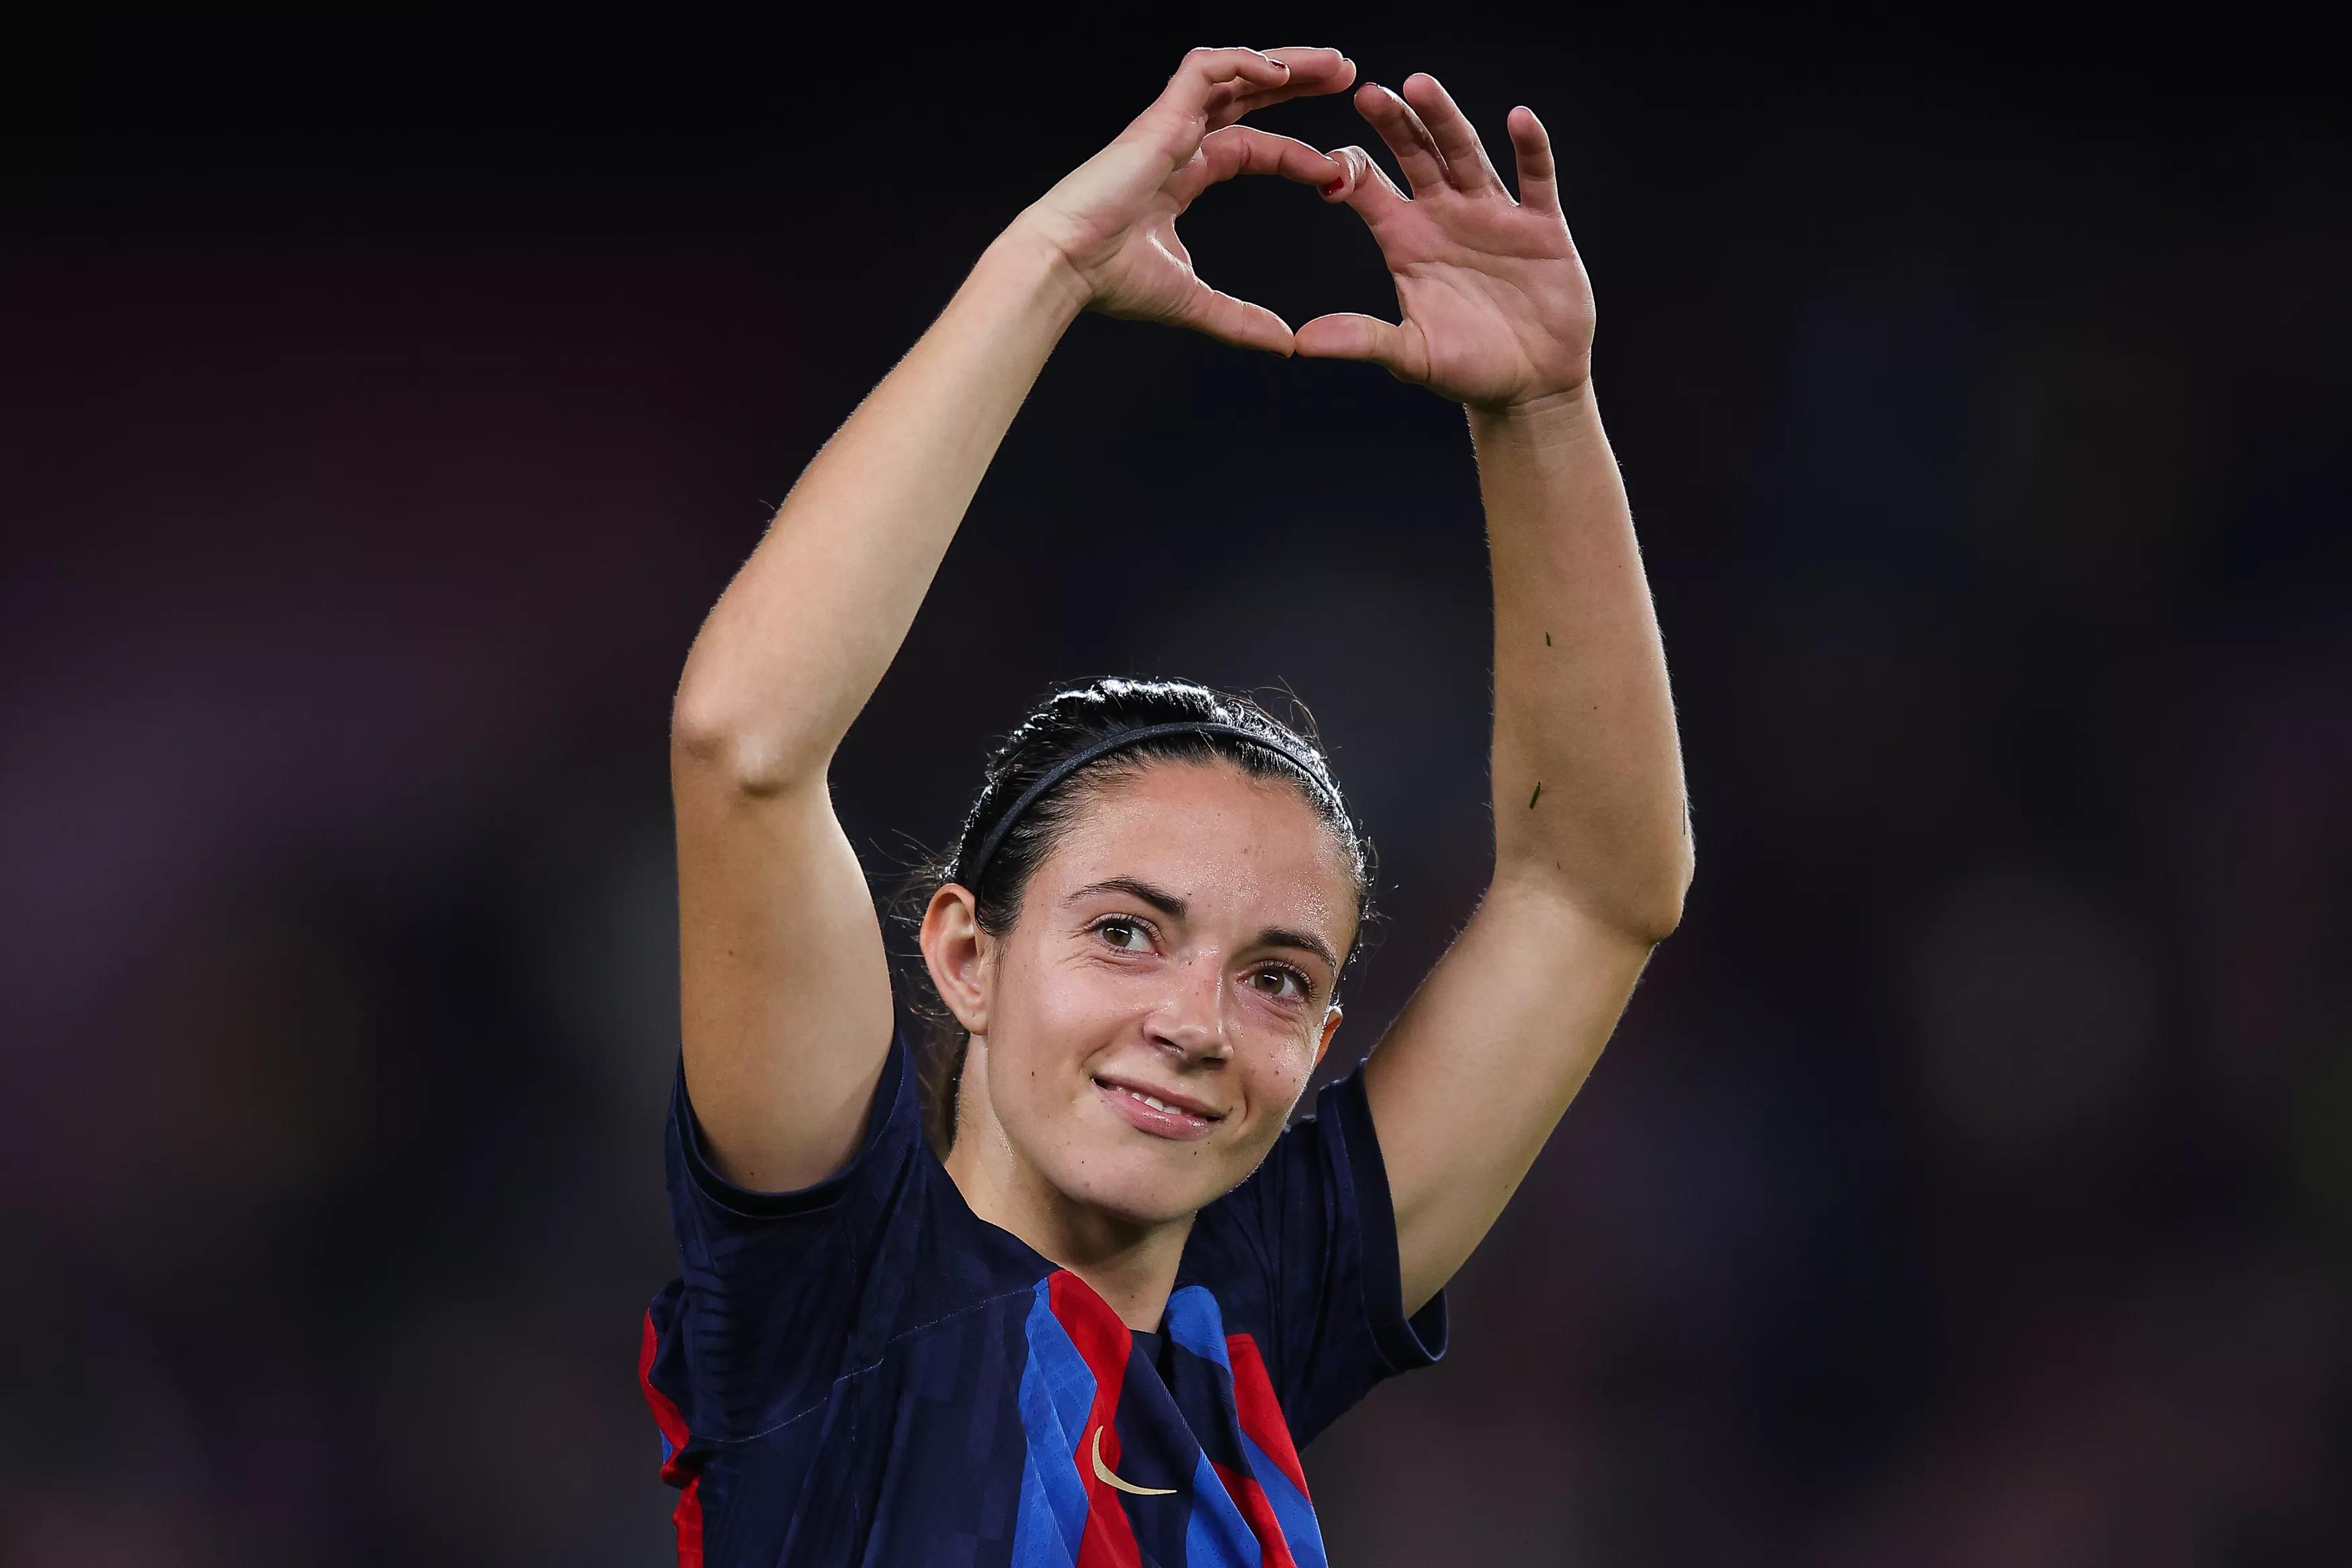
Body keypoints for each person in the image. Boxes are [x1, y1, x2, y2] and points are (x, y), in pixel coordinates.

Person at [639, 44, 1691, 1567]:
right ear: (963, 954)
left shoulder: (1261, 1308)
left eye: (1277, 977)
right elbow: (744, 743)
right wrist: (1052, 263)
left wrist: (1543, 407)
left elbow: (1594, 892)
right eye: (1128, 931)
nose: (1199, 1021)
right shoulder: (836, 1294)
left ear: (1322, 1043)